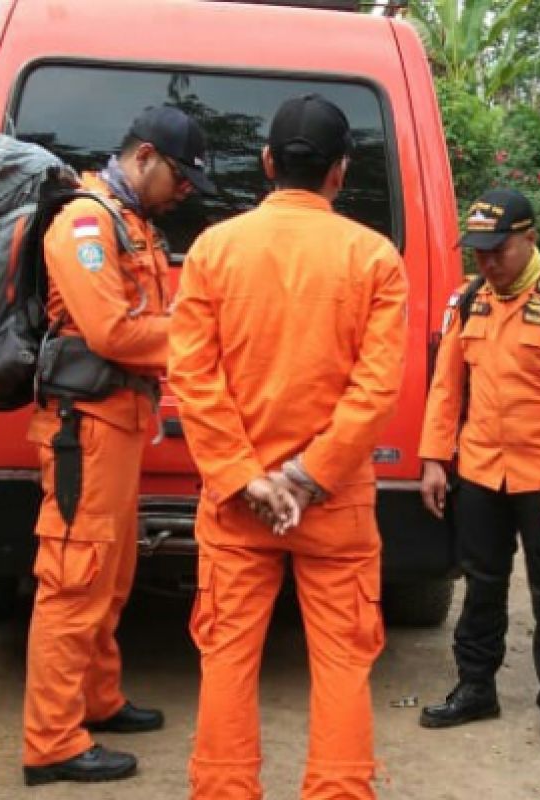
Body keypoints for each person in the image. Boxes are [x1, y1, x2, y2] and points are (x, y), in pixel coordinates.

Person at [169, 93, 408, 800]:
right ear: (340, 171)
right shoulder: (374, 257)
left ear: (268, 162)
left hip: (237, 505)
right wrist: (307, 477)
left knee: (228, 659)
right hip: (333, 506)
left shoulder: (214, 250)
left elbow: (192, 375)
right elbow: (376, 389)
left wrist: (249, 477)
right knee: (341, 663)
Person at [22, 105, 214, 786]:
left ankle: (97, 700)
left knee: (110, 575)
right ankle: (51, 743)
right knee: (75, 579)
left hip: (118, 428)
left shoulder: (132, 225)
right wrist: (204, 338)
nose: (185, 192)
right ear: (144, 157)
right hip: (87, 431)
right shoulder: (85, 222)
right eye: (181, 177)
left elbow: (148, 322)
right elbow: (112, 332)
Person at [418, 188, 540, 755]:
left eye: (497, 251)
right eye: (477, 252)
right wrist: (433, 458)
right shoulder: (470, 300)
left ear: (529, 239)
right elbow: (447, 385)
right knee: (481, 582)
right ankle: (476, 687)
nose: (487, 262)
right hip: (479, 471)